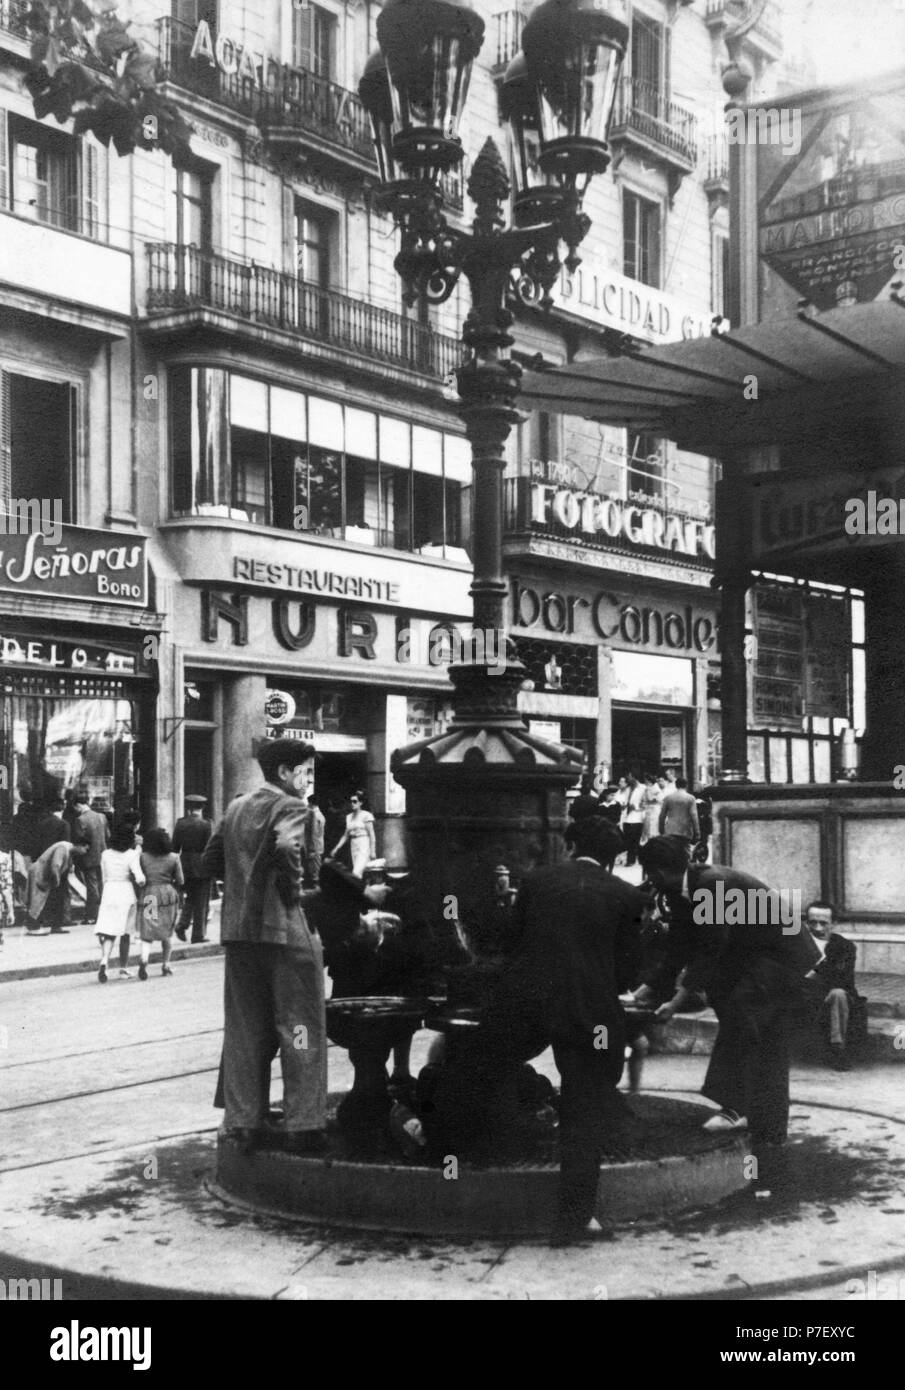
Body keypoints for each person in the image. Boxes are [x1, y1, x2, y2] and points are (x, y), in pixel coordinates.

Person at [429, 817, 644, 1245]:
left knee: (476, 1066)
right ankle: (575, 1219)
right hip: (589, 1010)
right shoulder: (628, 896)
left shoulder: (538, 881)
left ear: (570, 845)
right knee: (584, 1107)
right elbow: (628, 970)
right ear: (615, 857)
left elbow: (510, 940)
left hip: (525, 1001)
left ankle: (445, 1171)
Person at [635, 836, 820, 1194]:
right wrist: (644, 991)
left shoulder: (712, 885)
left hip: (783, 961)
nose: (650, 881)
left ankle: (745, 1114)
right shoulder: (682, 888)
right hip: (754, 959)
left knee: (750, 1024)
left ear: (658, 871)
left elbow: (709, 950)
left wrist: (674, 1003)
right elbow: (679, 948)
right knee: (745, 1023)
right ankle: (753, 1118)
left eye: (650, 874)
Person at [201, 739, 328, 1155]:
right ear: (283, 774)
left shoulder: (235, 806)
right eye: (304, 771)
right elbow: (286, 846)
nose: (307, 780)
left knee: (244, 1030)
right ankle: (303, 1122)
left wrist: (240, 885)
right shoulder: (292, 806)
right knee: (301, 1025)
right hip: (285, 928)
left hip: (239, 933)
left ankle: (243, 1122)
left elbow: (209, 861)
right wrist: (297, 892)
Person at [803, 901, 864, 1071]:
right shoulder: (798, 943)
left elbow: (841, 979)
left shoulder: (844, 947)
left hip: (830, 996)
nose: (817, 927)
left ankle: (837, 1049)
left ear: (834, 923)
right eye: (812, 922)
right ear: (806, 922)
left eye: (823, 923)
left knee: (838, 994)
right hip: (803, 996)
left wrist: (814, 973)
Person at [95, 822, 145, 983]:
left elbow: (103, 876)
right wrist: (143, 882)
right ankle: (123, 968)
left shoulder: (105, 854)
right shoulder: (131, 854)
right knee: (125, 933)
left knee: (109, 931)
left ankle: (104, 961)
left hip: (109, 891)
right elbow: (139, 877)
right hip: (126, 892)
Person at [138, 828, 184, 981]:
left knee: (148, 928)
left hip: (149, 894)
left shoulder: (143, 857)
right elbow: (180, 880)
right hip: (167, 895)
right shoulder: (174, 857)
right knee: (167, 930)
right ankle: (166, 964)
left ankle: (144, 959)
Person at [173, 795, 213, 943]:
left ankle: (182, 925)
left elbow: (175, 848)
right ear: (202, 807)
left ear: (188, 808)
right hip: (202, 865)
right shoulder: (207, 824)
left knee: (190, 897)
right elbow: (209, 848)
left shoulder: (180, 824)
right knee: (202, 901)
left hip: (185, 865)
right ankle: (198, 935)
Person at [26, 839, 86, 934]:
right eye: (85, 849)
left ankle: (56, 926)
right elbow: (55, 865)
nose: (85, 852)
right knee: (37, 901)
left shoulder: (70, 851)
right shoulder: (63, 847)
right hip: (40, 873)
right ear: (80, 846)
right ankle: (33, 927)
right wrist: (57, 881)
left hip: (47, 875)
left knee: (53, 900)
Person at [72, 789, 109, 924]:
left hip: (88, 857)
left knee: (92, 887)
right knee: (101, 885)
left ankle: (93, 915)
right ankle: (102, 913)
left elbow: (80, 840)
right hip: (102, 855)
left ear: (78, 805)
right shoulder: (102, 817)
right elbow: (107, 836)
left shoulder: (80, 820)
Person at [330, 790, 376, 877]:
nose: (352, 804)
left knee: (356, 872)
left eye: (355, 801)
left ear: (361, 803)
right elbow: (345, 835)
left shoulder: (366, 815)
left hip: (364, 844)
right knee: (359, 871)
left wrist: (373, 851)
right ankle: (362, 890)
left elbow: (372, 835)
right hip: (353, 844)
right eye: (351, 802)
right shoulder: (349, 817)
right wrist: (336, 848)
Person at [657, 776, 700, 848]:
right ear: (686, 785)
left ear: (676, 785)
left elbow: (662, 816)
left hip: (670, 830)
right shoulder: (690, 798)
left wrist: (661, 830)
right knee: (684, 854)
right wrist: (697, 833)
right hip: (685, 831)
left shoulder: (668, 798)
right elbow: (694, 816)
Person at [621, 774, 646, 867]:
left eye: (629, 778)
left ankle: (637, 859)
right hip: (627, 818)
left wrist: (636, 807)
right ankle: (631, 859)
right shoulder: (628, 789)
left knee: (636, 840)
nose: (628, 780)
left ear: (634, 777)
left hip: (638, 817)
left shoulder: (643, 788)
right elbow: (624, 800)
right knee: (629, 840)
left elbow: (646, 802)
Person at [302, 793, 326, 888]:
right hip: (317, 844)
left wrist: (312, 849)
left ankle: (317, 887)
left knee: (315, 869)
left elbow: (313, 834)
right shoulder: (319, 814)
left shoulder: (314, 815)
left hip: (314, 846)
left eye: (308, 803)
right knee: (315, 867)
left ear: (311, 803)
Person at [640, 774, 666, 845]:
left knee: (654, 826)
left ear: (649, 781)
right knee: (647, 827)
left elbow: (654, 799)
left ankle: (655, 842)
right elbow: (644, 800)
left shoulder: (656, 788)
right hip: (648, 810)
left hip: (655, 809)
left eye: (646, 781)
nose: (645, 782)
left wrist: (649, 794)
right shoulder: (647, 788)